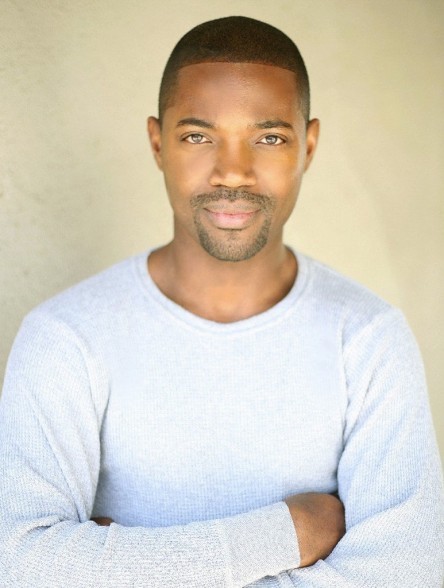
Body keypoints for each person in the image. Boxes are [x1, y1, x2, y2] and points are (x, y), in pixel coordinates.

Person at [0, 15, 442, 587]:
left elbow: (406, 574)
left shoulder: (368, 339)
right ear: (158, 144)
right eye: (198, 136)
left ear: (308, 146)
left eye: (269, 138)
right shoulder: (65, 337)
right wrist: (289, 533)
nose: (233, 172)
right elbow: (21, 565)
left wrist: (120, 566)